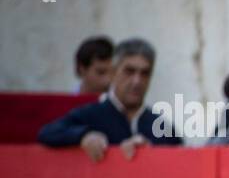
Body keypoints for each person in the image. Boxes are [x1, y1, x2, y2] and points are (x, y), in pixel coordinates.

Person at [39, 38, 178, 161]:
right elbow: (48, 133)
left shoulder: (160, 126)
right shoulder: (91, 115)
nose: (137, 81)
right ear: (113, 73)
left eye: (144, 74)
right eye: (129, 71)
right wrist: (83, 137)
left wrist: (152, 153)